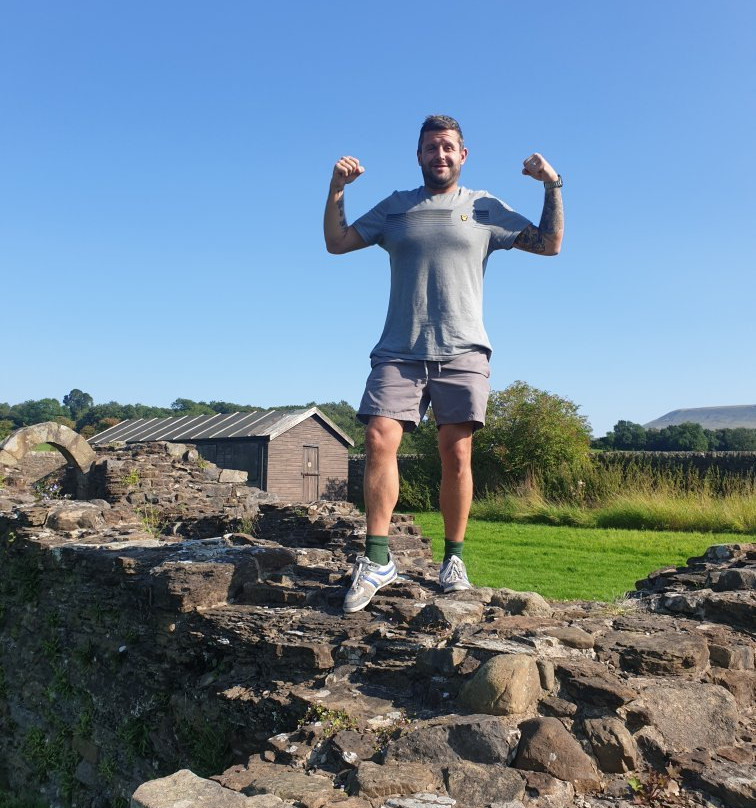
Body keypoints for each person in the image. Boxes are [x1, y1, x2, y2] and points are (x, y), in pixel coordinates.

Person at [323, 114, 564, 613]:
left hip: (463, 349)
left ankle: (453, 560)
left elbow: (549, 244)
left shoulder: (484, 207)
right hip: (399, 348)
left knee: (456, 455)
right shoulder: (396, 208)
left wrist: (552, 185)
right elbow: (337, 242)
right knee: (376, 439)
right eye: (431, 147)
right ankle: (377, 559)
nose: (440, 155)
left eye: (448, 147)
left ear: (463, 154)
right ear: (419, 155)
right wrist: (337, 188)